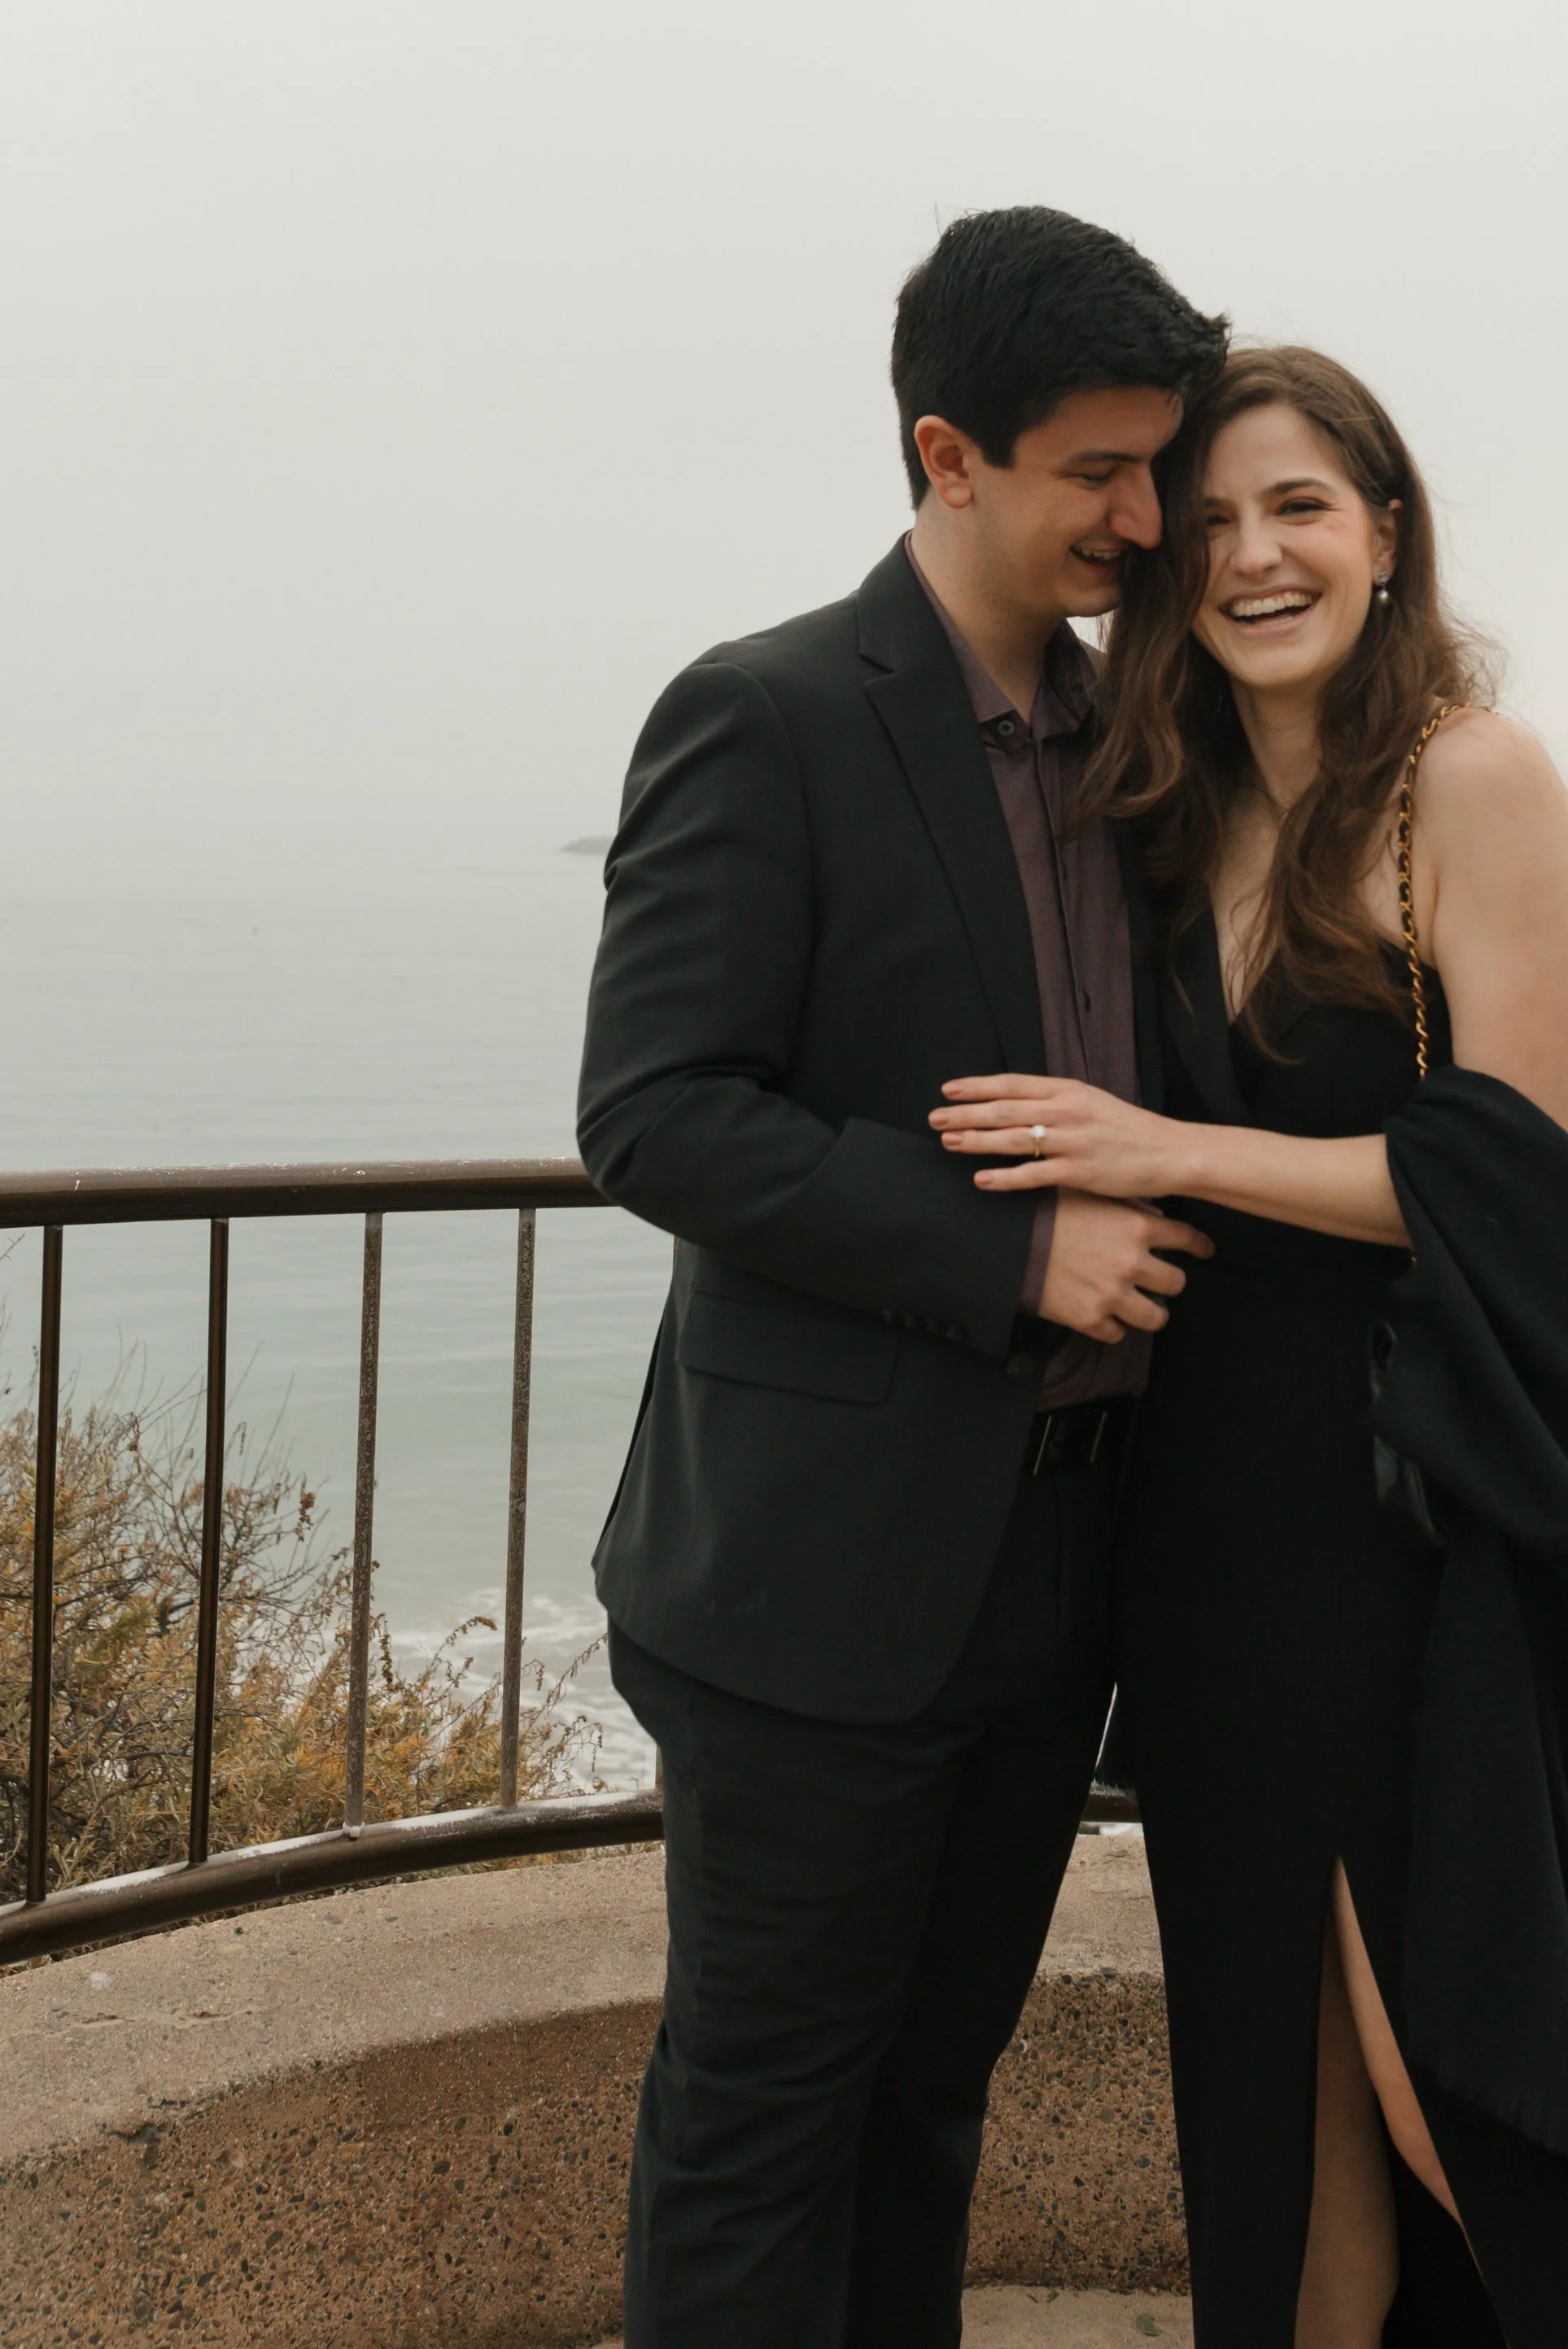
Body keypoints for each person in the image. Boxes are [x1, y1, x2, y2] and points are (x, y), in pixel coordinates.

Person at [930, 344, 1568, 2347]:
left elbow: (1499, 1177)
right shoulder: (1173, 796)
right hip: (1203, 1517)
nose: (1251, 555)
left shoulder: (1468, 777)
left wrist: (1160, 1150)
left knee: (1454, 2077)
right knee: (1270, 2105)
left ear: (1384, 532)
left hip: (1413, 1522)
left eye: (1296, 506)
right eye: (1207, 520)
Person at [576, 207, 1229, 2349]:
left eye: (1160, 467)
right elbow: (656, 1111)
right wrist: (1014, 1246)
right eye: (1097, 471)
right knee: (762, 2127)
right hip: (811, 1580)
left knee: (931, 2107)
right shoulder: (764, 711)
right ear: (946, 454)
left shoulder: (1138, 741)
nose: (1146, 519)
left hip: (1059, 1570)